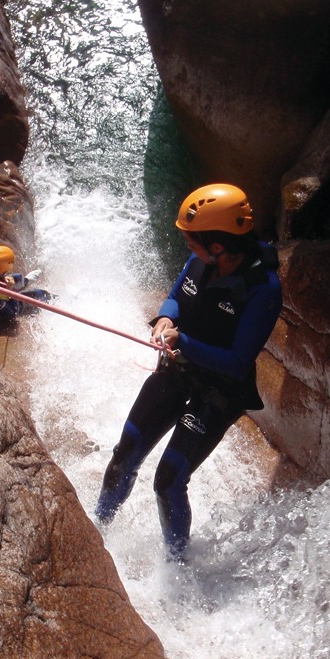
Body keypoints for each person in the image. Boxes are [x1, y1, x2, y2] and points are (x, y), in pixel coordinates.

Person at [95, 183, 282, 562]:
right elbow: (177, 297)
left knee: (168, 481)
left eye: (192, 240)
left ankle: (177, 567)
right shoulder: (203, 260)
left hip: (219, 391)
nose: (187, 246)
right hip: (179, 370)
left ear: (218, 246)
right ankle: (96, 531)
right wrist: (165, 319)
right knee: (125, 455)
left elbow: (236, 362)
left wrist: (183, 343)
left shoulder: (263, 289)